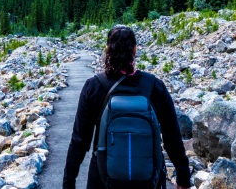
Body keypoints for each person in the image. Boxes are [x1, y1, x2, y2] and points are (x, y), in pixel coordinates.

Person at [62, 25, 191, 189]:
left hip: (102, 181)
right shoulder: (155, 86)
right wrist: (183, 177)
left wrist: (68, 183)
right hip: (148, 182)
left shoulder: (94, 87)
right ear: (135, 50)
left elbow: (79, 142)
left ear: (108, 49)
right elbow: (172, 137)